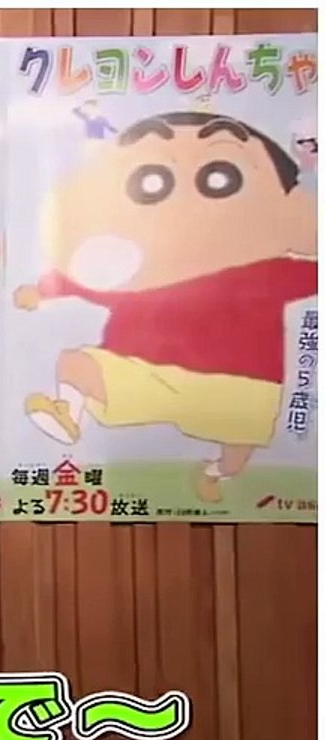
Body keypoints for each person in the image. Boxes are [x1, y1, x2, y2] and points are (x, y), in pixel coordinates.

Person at [17, 110, 316, 503]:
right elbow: (90, 283)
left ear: (291, 209)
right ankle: (67, 412)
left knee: (237, 453)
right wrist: (43, 290)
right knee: (77, 365)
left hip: (239, 386)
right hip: (147, 370)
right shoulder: (137, 272)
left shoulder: (269, 272)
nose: (187, 204)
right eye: (151, 181)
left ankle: (216, 472)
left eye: (221, 177)